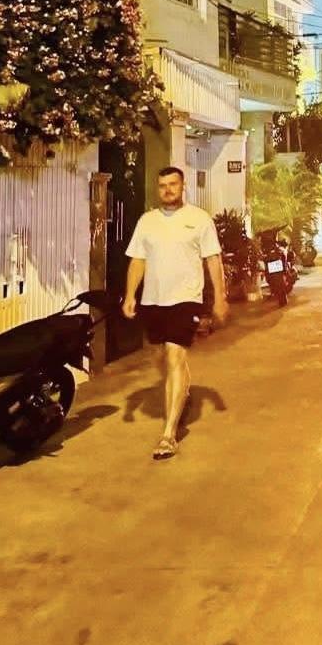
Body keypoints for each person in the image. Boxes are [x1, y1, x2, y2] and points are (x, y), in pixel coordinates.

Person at [122, 166, 227, 460]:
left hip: (186, 299)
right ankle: (182, 389)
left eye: (173, 184)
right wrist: (130, 295)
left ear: (183, 186)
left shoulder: (199, 219)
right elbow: (138, 260)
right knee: (162, 357)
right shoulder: (147, 221)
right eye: (163, 185)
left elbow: (213, 260)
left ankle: (168, 435)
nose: (168, 190)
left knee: (174, 354)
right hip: (153, 299)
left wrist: (220, 298)